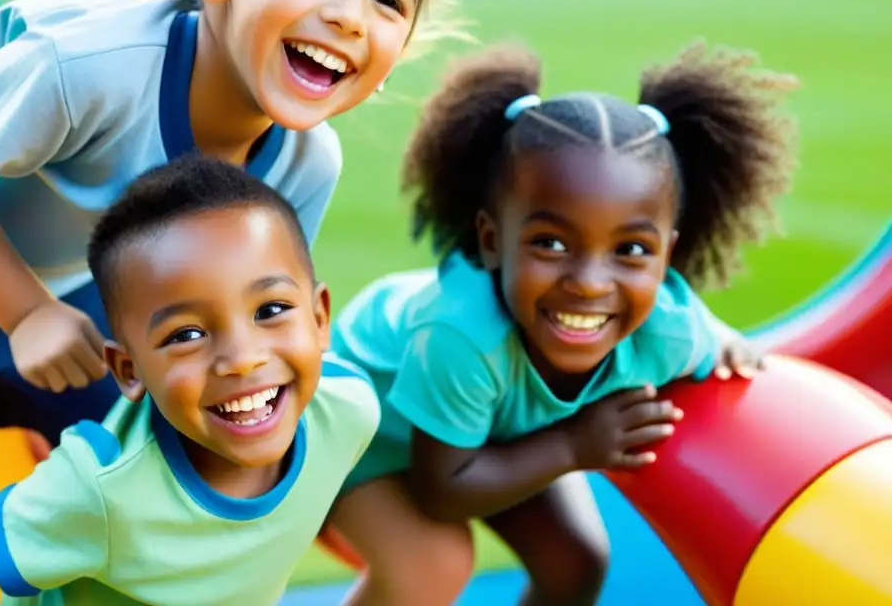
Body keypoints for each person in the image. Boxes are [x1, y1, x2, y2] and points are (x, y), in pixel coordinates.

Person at [0, 0, 535, 524]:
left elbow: (256, 315)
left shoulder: (305, 163)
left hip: (71, 280)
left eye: (388, 2)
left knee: (158, 492)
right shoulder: (92, 66)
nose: (348, 15)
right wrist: (26, 312)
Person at [326, 41, 799, 605]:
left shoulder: (670, 333)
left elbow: (715, 351)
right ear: (491, 241)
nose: (591, 282)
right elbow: (442, 492)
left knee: (577, 562)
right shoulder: (462, 338)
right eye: (550, 243)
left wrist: (724, 342)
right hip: (365, 430)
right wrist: (574, 445)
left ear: (667, 257)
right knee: (435, 561)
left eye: (630, 250)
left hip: (490, 439)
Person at [0, 154, 380, 606]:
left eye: (270, 309)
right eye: (186, 334)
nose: (242, 360)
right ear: (129, 370)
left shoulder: (348, 409)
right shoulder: (100, 489)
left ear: (319, 320)